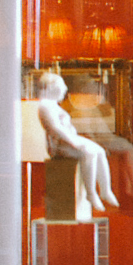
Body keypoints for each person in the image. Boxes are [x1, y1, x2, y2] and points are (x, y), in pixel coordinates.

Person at [36, 71, 120, 213]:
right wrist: (74, 142)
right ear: (51, 87)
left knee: (100, 151)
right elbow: (55, 128)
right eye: (61, 86)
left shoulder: (52, 104)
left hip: (70, 139)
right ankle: (91, 193)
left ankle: (106, 190)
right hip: (61, 144)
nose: (64, 90)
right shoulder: (45, 106)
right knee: (89, 153)